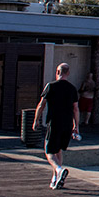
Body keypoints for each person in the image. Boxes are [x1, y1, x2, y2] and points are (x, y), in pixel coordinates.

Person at [32, 62, 79, 190]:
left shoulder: (51, 86)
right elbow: (76, 109)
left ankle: (58, 170)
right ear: (68, 73)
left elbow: (41, 104)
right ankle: (55, 178)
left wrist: (36, 120)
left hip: (54, 122)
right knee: (58, 149)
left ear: (57, 72)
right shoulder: (72, 88)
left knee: (49, 151)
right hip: (68, 123)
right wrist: (76, 126)